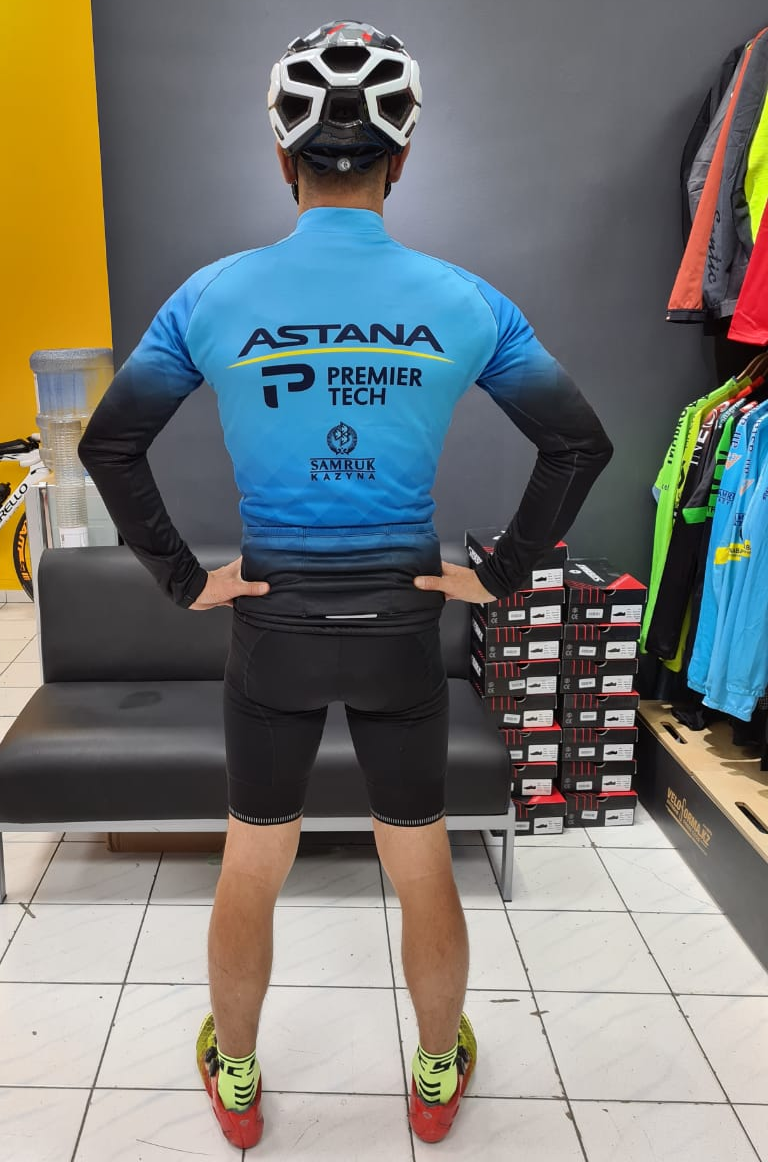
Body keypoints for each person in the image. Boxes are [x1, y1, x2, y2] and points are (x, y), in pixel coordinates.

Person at [78, 19, 613, 1150]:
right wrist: (502, 574)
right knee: (419, 857)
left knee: (253, 856)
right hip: (401, 623)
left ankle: (235, 1078)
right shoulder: (465, 301)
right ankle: (435, 1072)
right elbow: (578, 444)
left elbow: (109, 444)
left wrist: (183, 579)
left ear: (282, 155)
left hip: (272, 618)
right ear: (401, 157)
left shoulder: (213, 295)